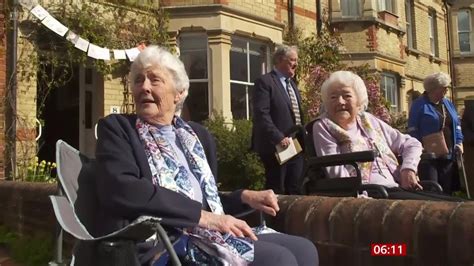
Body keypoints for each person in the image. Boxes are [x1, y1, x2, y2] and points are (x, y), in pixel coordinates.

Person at [94, 45, 318, 265]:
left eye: (155, 80)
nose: (144, 87)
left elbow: (207, 201)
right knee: (280, 260)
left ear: (179, 93)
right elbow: (120, 188)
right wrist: (202, 218)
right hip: (167, 241)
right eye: (138, 80)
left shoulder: (197, 136)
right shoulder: (119, 129)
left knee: (305, 249)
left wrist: (243, 197)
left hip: (209, 233)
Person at [312, 71, 460, 201]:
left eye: (347, 95)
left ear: (359, 100)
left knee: (455, 205)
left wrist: (408, 169)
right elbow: (336, 173)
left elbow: (411, 144)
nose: (340, 101)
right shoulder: (324, 126)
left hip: (396, 187)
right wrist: (357, 196)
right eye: (333, 97)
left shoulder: (368, 120)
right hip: (371, 193)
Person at [252, 45, 304, 195]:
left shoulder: (292, 85)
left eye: (297, 61)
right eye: (292, 60)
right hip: (276, 147)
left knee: (295, 187)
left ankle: (293, 219)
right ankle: (276, 219)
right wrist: (278, 137)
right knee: (278, 189)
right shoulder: (265, 82)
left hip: (295, 145)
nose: (296, 64)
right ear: (280, 60)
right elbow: (262, 114)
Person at [408, 72, 464, 195]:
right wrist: (420, 148)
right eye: (444, 87)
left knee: (448, 191)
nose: (447, 90)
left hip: (449, 155)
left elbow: (457, 124)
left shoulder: (447, 104)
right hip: (429, 157)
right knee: (433, 190)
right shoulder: (419, 105)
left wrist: (459, 142)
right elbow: (412, 129)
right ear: (434, 88)